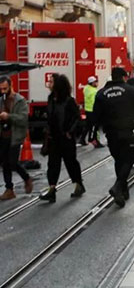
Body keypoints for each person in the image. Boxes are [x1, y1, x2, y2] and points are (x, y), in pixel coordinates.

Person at [93, 67, 134, 208]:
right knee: (128, 160)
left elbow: (95, 116)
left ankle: (123, 190)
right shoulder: (131, 91)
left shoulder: (101, 94)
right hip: (128, 131)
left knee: (118, 160)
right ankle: (117, 187)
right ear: (123, 77)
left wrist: (93, 133)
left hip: (111, 133)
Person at [40, 74, 85, 203]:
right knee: (53, 164)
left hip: (66, 137)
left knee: (70, 162)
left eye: (52, 82)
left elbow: (77, 117)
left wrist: (70, 132)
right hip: (53, 137)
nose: (49, 83)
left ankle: (78, 184)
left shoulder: (69, 101)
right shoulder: (50, 99)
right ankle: (52, 189)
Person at [0, 76, 33, 200]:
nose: (3, 91)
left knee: (12, 162)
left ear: (10, 86)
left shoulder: (19, 100)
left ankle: (26, 178)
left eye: (5, 89)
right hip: (3, 135)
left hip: (15, 136)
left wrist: (8, 116)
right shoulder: (1, 100)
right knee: (4, 163)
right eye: (1, 89)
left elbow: (23, 118)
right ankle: (9, 189)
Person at [80, 76, 104, 148]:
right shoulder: (93, 91)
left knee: (88, 125)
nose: (96, 83)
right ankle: (93, 139)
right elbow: (95, 102)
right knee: (94, 126)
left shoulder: (86, 88)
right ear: (92, 83)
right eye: (95, 82)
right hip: (93, 110)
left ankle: (82, 139)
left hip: (88, 110)